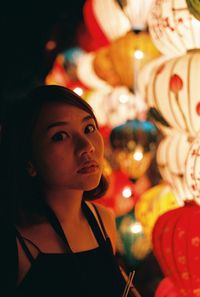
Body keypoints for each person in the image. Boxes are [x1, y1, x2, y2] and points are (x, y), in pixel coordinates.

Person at [0, 85, 141, 297]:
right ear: (29, 161)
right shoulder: (16, 242)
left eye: (89, 128)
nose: (87, 146)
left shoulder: (103, 221)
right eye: (60, 136)